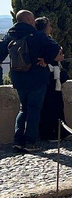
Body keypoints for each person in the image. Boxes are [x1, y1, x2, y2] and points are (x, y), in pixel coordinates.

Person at [0, 10, 63, 153]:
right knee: (34, 109)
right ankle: (30, 142)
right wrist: (45, 60)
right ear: (29, 19)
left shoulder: (10, 35)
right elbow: (55, 48)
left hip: (18, 77)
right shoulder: (37, 35)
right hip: (36, 77)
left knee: (23, 108)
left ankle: (18, 141)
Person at [35, 17, 72, 141]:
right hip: (48, 77)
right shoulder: (42, 40)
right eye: (49, 26)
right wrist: (57, 55)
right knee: (49, 106)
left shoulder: (46, 40)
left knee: (57, 105)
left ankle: (62, 131)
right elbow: (55, 55)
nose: (51, 28)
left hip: (54, 77)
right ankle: (48, 133)